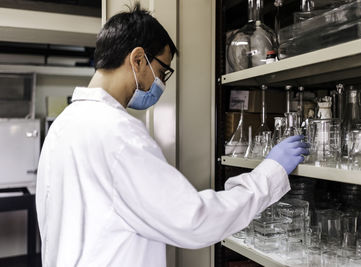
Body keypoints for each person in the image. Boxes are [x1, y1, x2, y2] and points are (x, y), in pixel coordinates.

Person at [35, 3, 309, 267]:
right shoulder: (117, 133)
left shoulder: (63, 125)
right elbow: (194, 220)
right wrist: (269, 174)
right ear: (138, 59)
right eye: (162, 71)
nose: (161, 84)